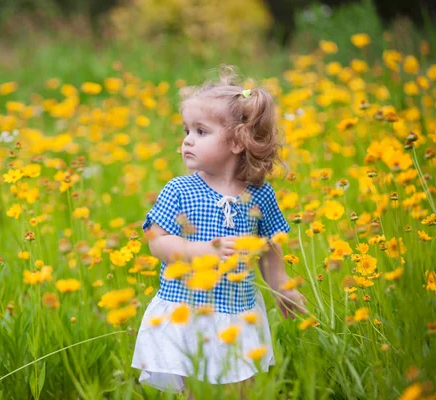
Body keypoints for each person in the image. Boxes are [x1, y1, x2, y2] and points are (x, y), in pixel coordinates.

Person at [130, 65, 308, 396]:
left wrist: (282, 286)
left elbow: (269, 247)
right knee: (195, 389)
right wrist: (202, 251)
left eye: (201, 131)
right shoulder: (179, 189)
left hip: (237, 313)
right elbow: (156, 241)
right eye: (186, 130)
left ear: (238, 142)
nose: (187, 141)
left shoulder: (259, 194)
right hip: (186, 309)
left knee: (241, 387)